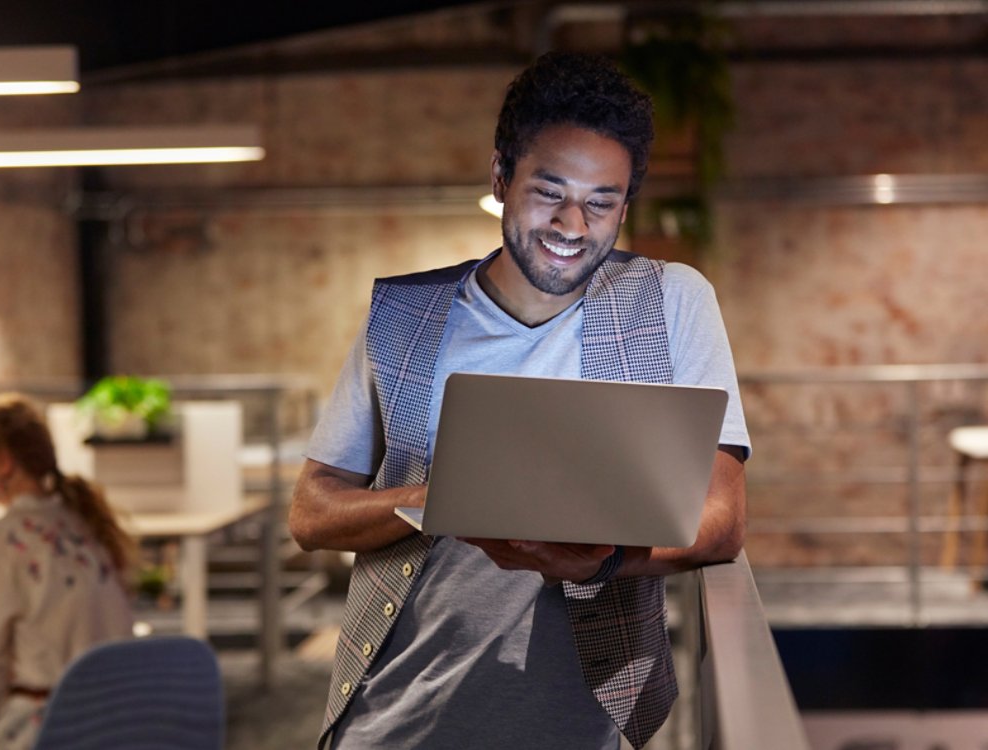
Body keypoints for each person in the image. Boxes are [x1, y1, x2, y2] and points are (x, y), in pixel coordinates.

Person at [289, 50, 750, 750]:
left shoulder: (671, 302)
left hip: (582, 725)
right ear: (501, 177)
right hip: (394, 720)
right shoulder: (405, 315)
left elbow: (720, 517)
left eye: (603, 202)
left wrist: (600, 562)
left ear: (627, 203)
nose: (573, 224)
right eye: (549, 191)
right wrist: (444, 495)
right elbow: (312, 512)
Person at [0, 393, 135, 750]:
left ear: (4, 463)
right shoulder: (86, 522)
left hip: (47, 728)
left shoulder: (4, 540)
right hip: (117, 722)